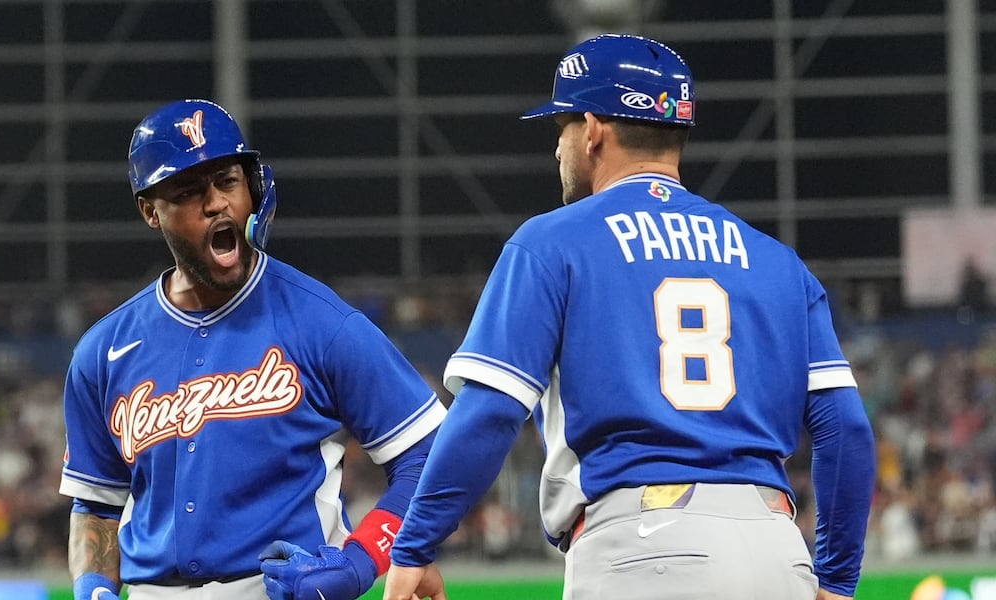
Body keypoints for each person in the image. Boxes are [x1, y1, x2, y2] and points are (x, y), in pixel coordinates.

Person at [383, 34, 876, 600]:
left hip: (643, 547)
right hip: (773, 545)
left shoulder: (552, 242)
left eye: (562, 128)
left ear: (593, 130)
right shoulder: (777, 262)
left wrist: (415, 546)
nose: (558, 149)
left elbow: (491, 412)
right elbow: (847, 431)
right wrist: (836, 580)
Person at [59, 99, 447, 600]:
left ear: (254, 187)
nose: (217, 203)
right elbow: (96, 505)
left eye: (227, 181)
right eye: (190, 191)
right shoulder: (103, 350)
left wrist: (360, 559)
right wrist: (93, 588)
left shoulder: (322, 322)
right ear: (150, 211)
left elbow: (431, 455)